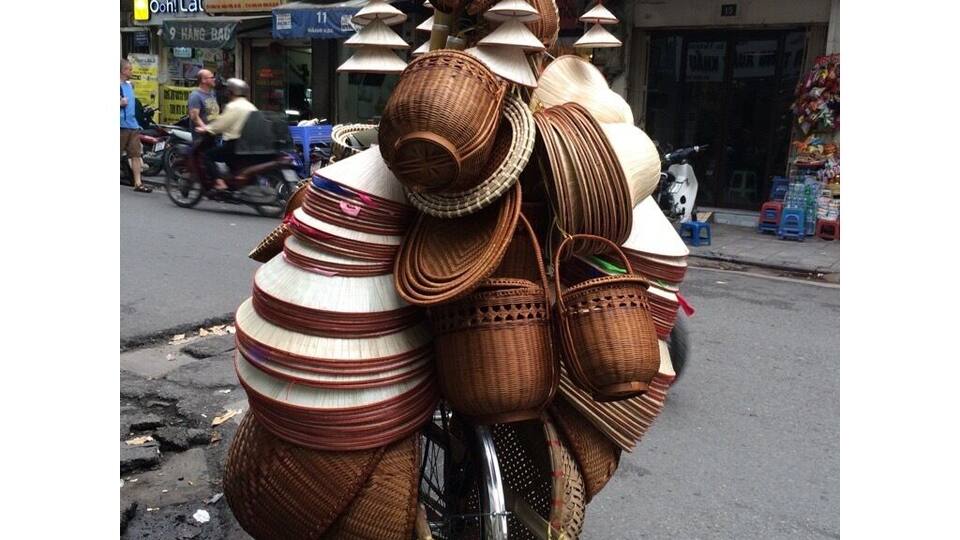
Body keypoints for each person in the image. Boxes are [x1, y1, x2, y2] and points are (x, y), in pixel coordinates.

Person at [195, 78, 257, 191]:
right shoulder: (251, 106)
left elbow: (221, 125)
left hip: (235, 144)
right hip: (249, 145)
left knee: (207, 156)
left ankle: (219, 182)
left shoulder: (233, 106)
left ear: (231, 92)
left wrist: (206, 129)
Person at [120, 59, 152, 193]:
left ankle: (138, 183)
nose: (131, 71)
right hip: (120, 125)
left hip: (132, 125)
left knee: (135, 155)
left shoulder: (129, 86)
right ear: (122, 71)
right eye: (129, 69)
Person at [188, 69, 220, 134]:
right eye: (211, 77)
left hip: (213, 134)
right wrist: (206, 129)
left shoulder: (212, 93)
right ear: (203, 80)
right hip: (203, 138)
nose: (214, 79)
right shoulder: (195, 96)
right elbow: (194, 117)